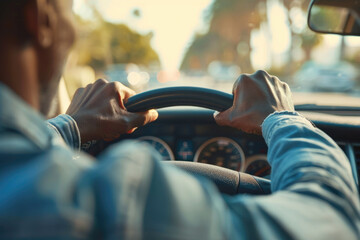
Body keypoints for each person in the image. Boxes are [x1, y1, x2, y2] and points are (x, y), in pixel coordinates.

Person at [0, 0, 359, 239]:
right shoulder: (97, 207)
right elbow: (330, 219)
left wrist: (72, 126)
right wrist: (282, 118)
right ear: (41, 17)